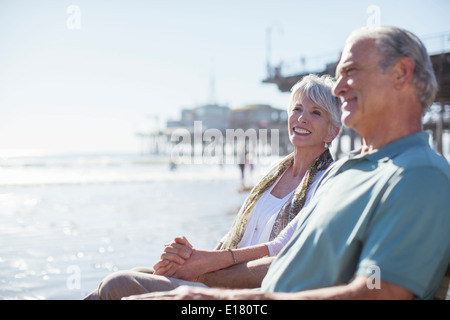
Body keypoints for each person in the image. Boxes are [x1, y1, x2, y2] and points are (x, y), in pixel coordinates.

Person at [127, 25, 450, 300]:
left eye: (351, 72)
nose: (338, 88)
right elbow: (289, 263)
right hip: (255, 296)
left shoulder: (418, 174)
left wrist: (214, 296)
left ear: (401, 73)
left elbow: (377, 293)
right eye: (338, 76)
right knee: (120, 285)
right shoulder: (346, 172)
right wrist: (206, 274)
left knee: (118, 287)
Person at [83, 74, 342, 299]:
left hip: (249, 288)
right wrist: (191, 256)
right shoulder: (274, 172)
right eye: (297, 109)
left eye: (315, 113)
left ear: (332, 132)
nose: (302, 118)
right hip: (225, 269)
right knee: (137, 274)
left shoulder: (328, 180)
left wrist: (207, 265)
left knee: (119, 285)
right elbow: (238, 234)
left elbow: (282, 248)